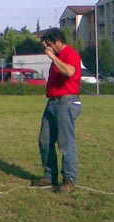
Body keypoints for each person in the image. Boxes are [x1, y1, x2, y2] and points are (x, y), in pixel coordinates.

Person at [32, 29, 82, 193]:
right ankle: (49, 176)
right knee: (45, 140)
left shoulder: (70, 54)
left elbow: (69, 72)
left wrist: (53, 57)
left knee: (66, 143)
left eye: (49, 44)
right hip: (53, 102)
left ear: (57, 41)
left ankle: (69, 179)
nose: (47, 47)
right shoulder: (58, 57)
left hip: (66, 102)